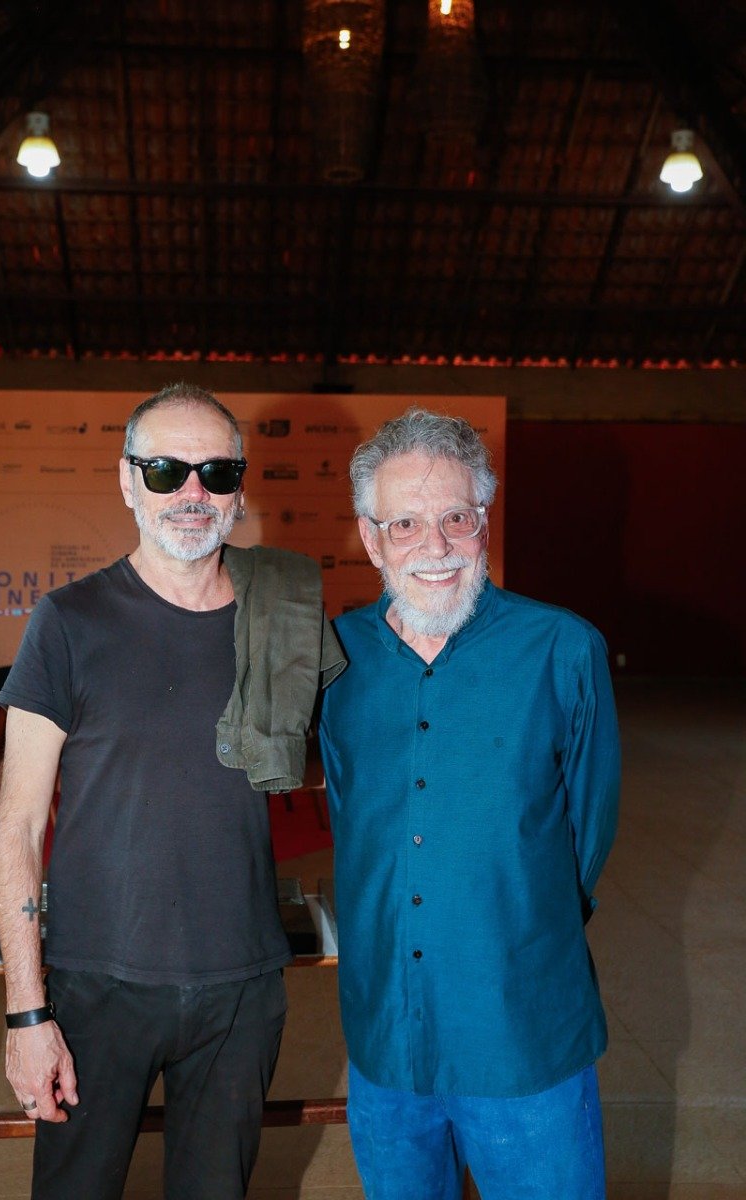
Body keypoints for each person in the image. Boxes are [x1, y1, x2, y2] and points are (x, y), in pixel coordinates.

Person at [0, 382, 345, 1200]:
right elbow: (17, 825)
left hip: (241, 985)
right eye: (165, 471)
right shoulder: (68, 622)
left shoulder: (282, 616)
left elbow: (332, 760)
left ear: (240, 489)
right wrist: (27, 1015)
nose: (193, 492)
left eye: (216, 472)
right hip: (95, 985)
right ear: (127, 481)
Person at [318, 407, 620, 1200]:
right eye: (406, 524)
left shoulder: (562, 650)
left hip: (523, 1037)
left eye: (456, 517)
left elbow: (588, 832)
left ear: (484, 521)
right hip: (386, 1045)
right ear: (371, 538)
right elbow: (351, 821)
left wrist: (514, 928)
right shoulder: (337, 661)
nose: (436, 546)